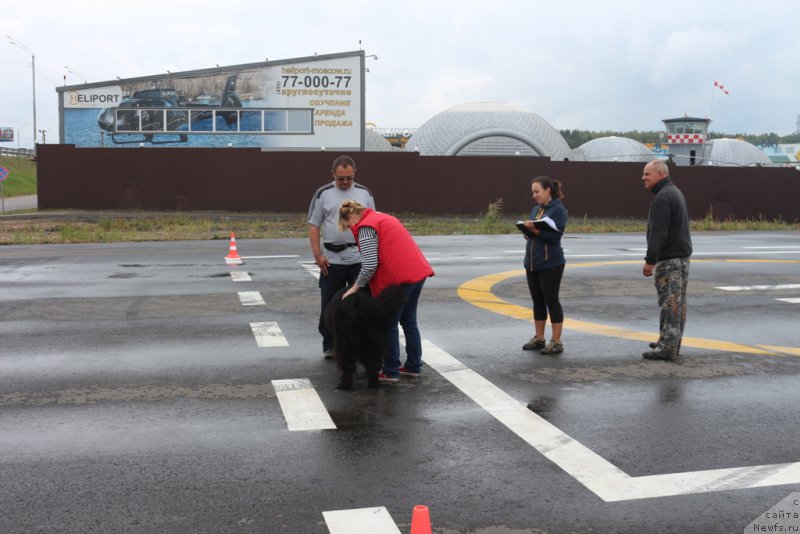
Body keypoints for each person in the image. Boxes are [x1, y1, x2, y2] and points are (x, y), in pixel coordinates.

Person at [338, 200, 434, 382]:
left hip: (399, 278)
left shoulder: (366, 227)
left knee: (389, 323)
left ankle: (390, 371)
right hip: (416, 272)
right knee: (409, 321)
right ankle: (413, 366)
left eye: (349, 225)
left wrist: (354, 288)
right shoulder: (382, 217)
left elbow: (369, 264)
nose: (352, 229)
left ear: (351, 216)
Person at [308, 156, 375, 359]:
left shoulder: (364, 193)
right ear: (333, 174)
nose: (345, 182)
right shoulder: (323, 194)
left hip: (358, 259)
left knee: (361, 306)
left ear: (355, 171)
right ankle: (331, 345)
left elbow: (373, 222)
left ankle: (361, 344)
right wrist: (318, 255)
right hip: (332, 261)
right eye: (341, 178)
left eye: (348, 177)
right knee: (330, 305)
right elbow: (313, 225)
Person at [641, 159, 692, 361]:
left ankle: (667, 347)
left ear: (661, 174)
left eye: (647, 174)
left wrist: (650, 261)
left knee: (670, 304)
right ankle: (670, 341)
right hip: (681, 258)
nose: (643, 178)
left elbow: (659, 234)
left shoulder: (663, 197)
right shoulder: (675, 192)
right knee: (677, 303)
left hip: (670, 260)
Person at [521, 176, 568, 355]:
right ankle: (539, 338)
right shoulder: (536, 209)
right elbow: (534, 235)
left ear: (548, 190)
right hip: (532, 262)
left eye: (536, 191)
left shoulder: (558, 210)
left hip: (551, 263)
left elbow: (555, 237)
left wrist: (536, 231)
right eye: (532, 191)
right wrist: (527, 231)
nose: (534, 195)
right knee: (537, 301)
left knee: (551, 300)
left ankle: (556, 341)